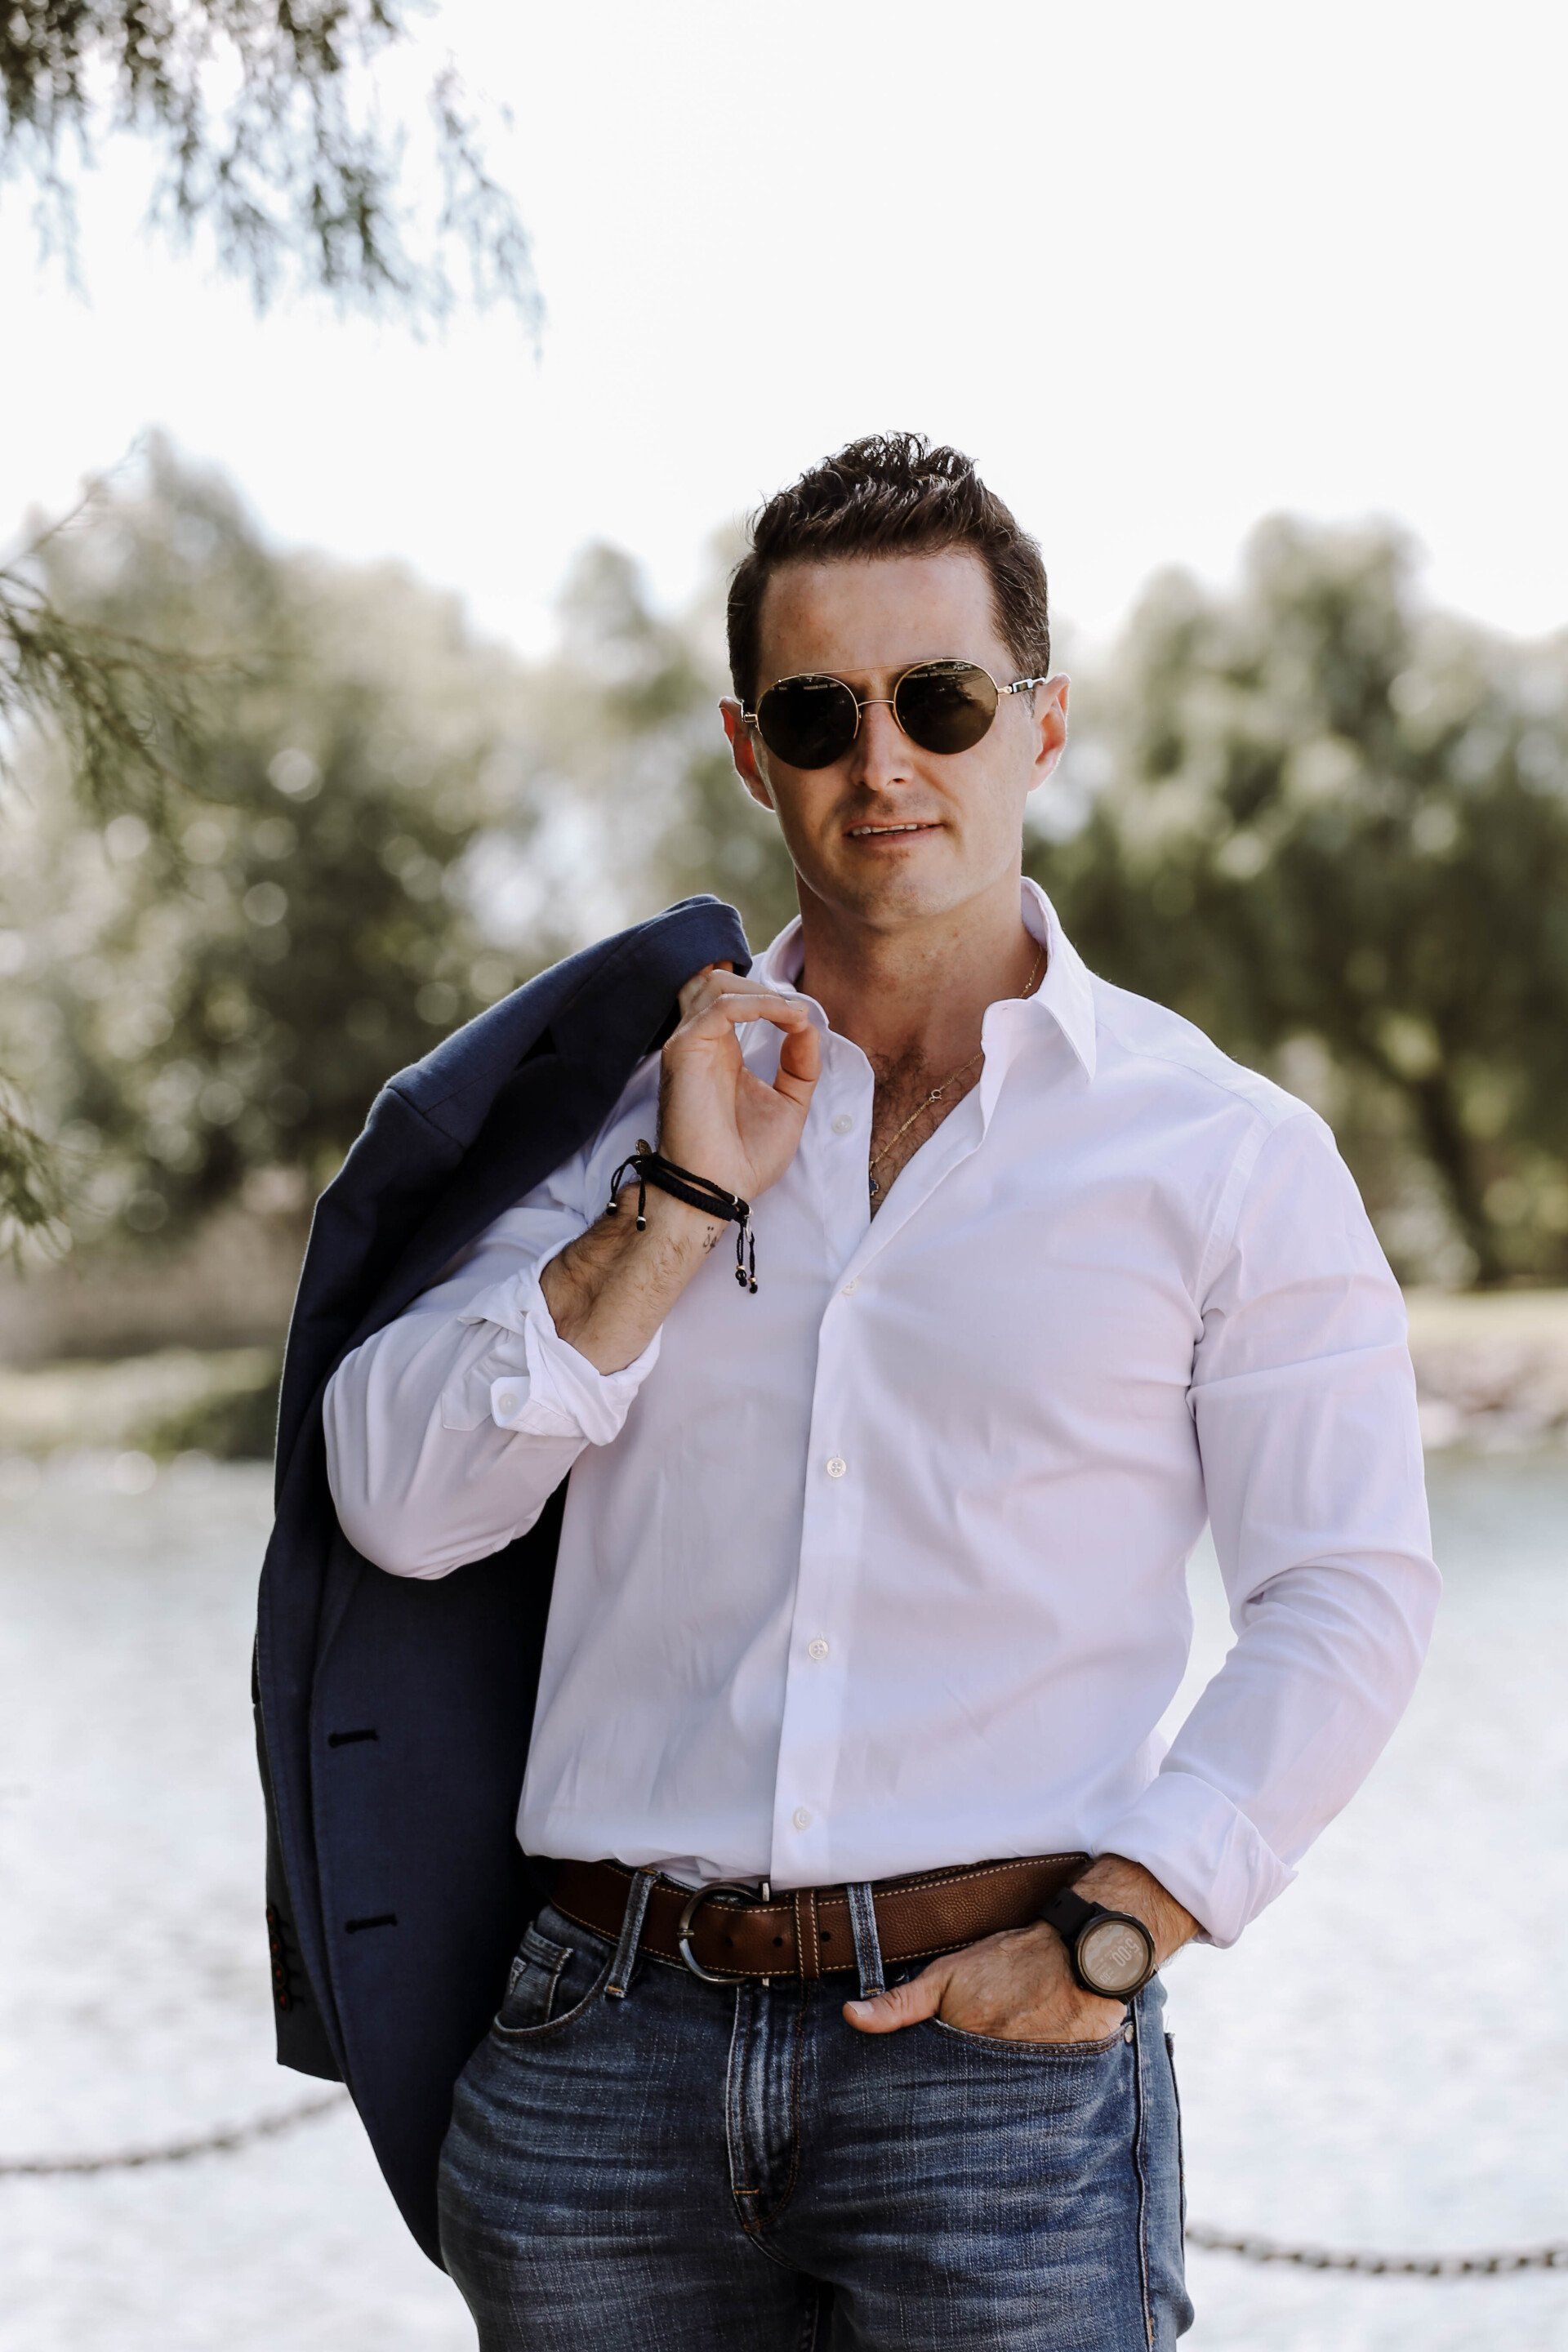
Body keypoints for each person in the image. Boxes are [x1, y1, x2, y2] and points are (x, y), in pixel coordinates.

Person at [321, 433, 1440, 2350]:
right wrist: (672, 1212)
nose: (884, 761)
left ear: (1043, 722)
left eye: (941, 699)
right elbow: (399, 1503)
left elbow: (1346, 1592)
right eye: (819, 715)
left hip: (995, 2077)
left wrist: (1126, 1926)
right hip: (600, 2066)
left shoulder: (1225, 1154)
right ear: (749, 753)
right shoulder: (625, 1110)